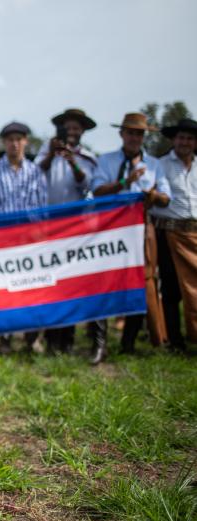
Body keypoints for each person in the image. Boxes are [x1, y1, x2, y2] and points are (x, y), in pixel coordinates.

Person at [92, 112, 171, 356]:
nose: (135, 137)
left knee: (141, 283)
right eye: (131, 132)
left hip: (142, 230)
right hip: (111, 229)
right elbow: (97, 191)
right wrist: (125, 183)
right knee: (103, 283)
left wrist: (152, 195)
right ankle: (100, 343)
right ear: (121, 134)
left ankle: (129, 342)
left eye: (139, 133)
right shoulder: (106, 161)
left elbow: (166, 199)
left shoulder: (155, 165)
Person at [35, 109, 98, 355]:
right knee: (51, 283)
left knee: (72, 284)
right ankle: (51, 339)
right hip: (49, 227)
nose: (71, 132)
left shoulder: (88, 158)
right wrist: (52, 153)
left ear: (82, 131)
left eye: (75, 128)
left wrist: (72, 161)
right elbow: (37, 173)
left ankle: (68, 339)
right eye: (67, 128)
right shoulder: (45, 152)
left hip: (75, 228)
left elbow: (87, 185)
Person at [0, 122, 47, 353]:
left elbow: (42, 208)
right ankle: (5, 338)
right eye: (10, 139)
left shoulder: (36, 171)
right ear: (4, 142)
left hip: (29, 240)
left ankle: (32, 337)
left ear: (26, 141)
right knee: (4, 290)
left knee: (32, 288)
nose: (14, 143)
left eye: (19, 139)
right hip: (3, 241)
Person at [152, 119, 196, 350]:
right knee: (171, 289)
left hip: (195, 233)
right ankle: (175, 340)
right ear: (173, 140)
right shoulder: (160, 165)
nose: (185, 142)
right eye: (181, 137)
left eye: (189, 138)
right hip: (170, 231)